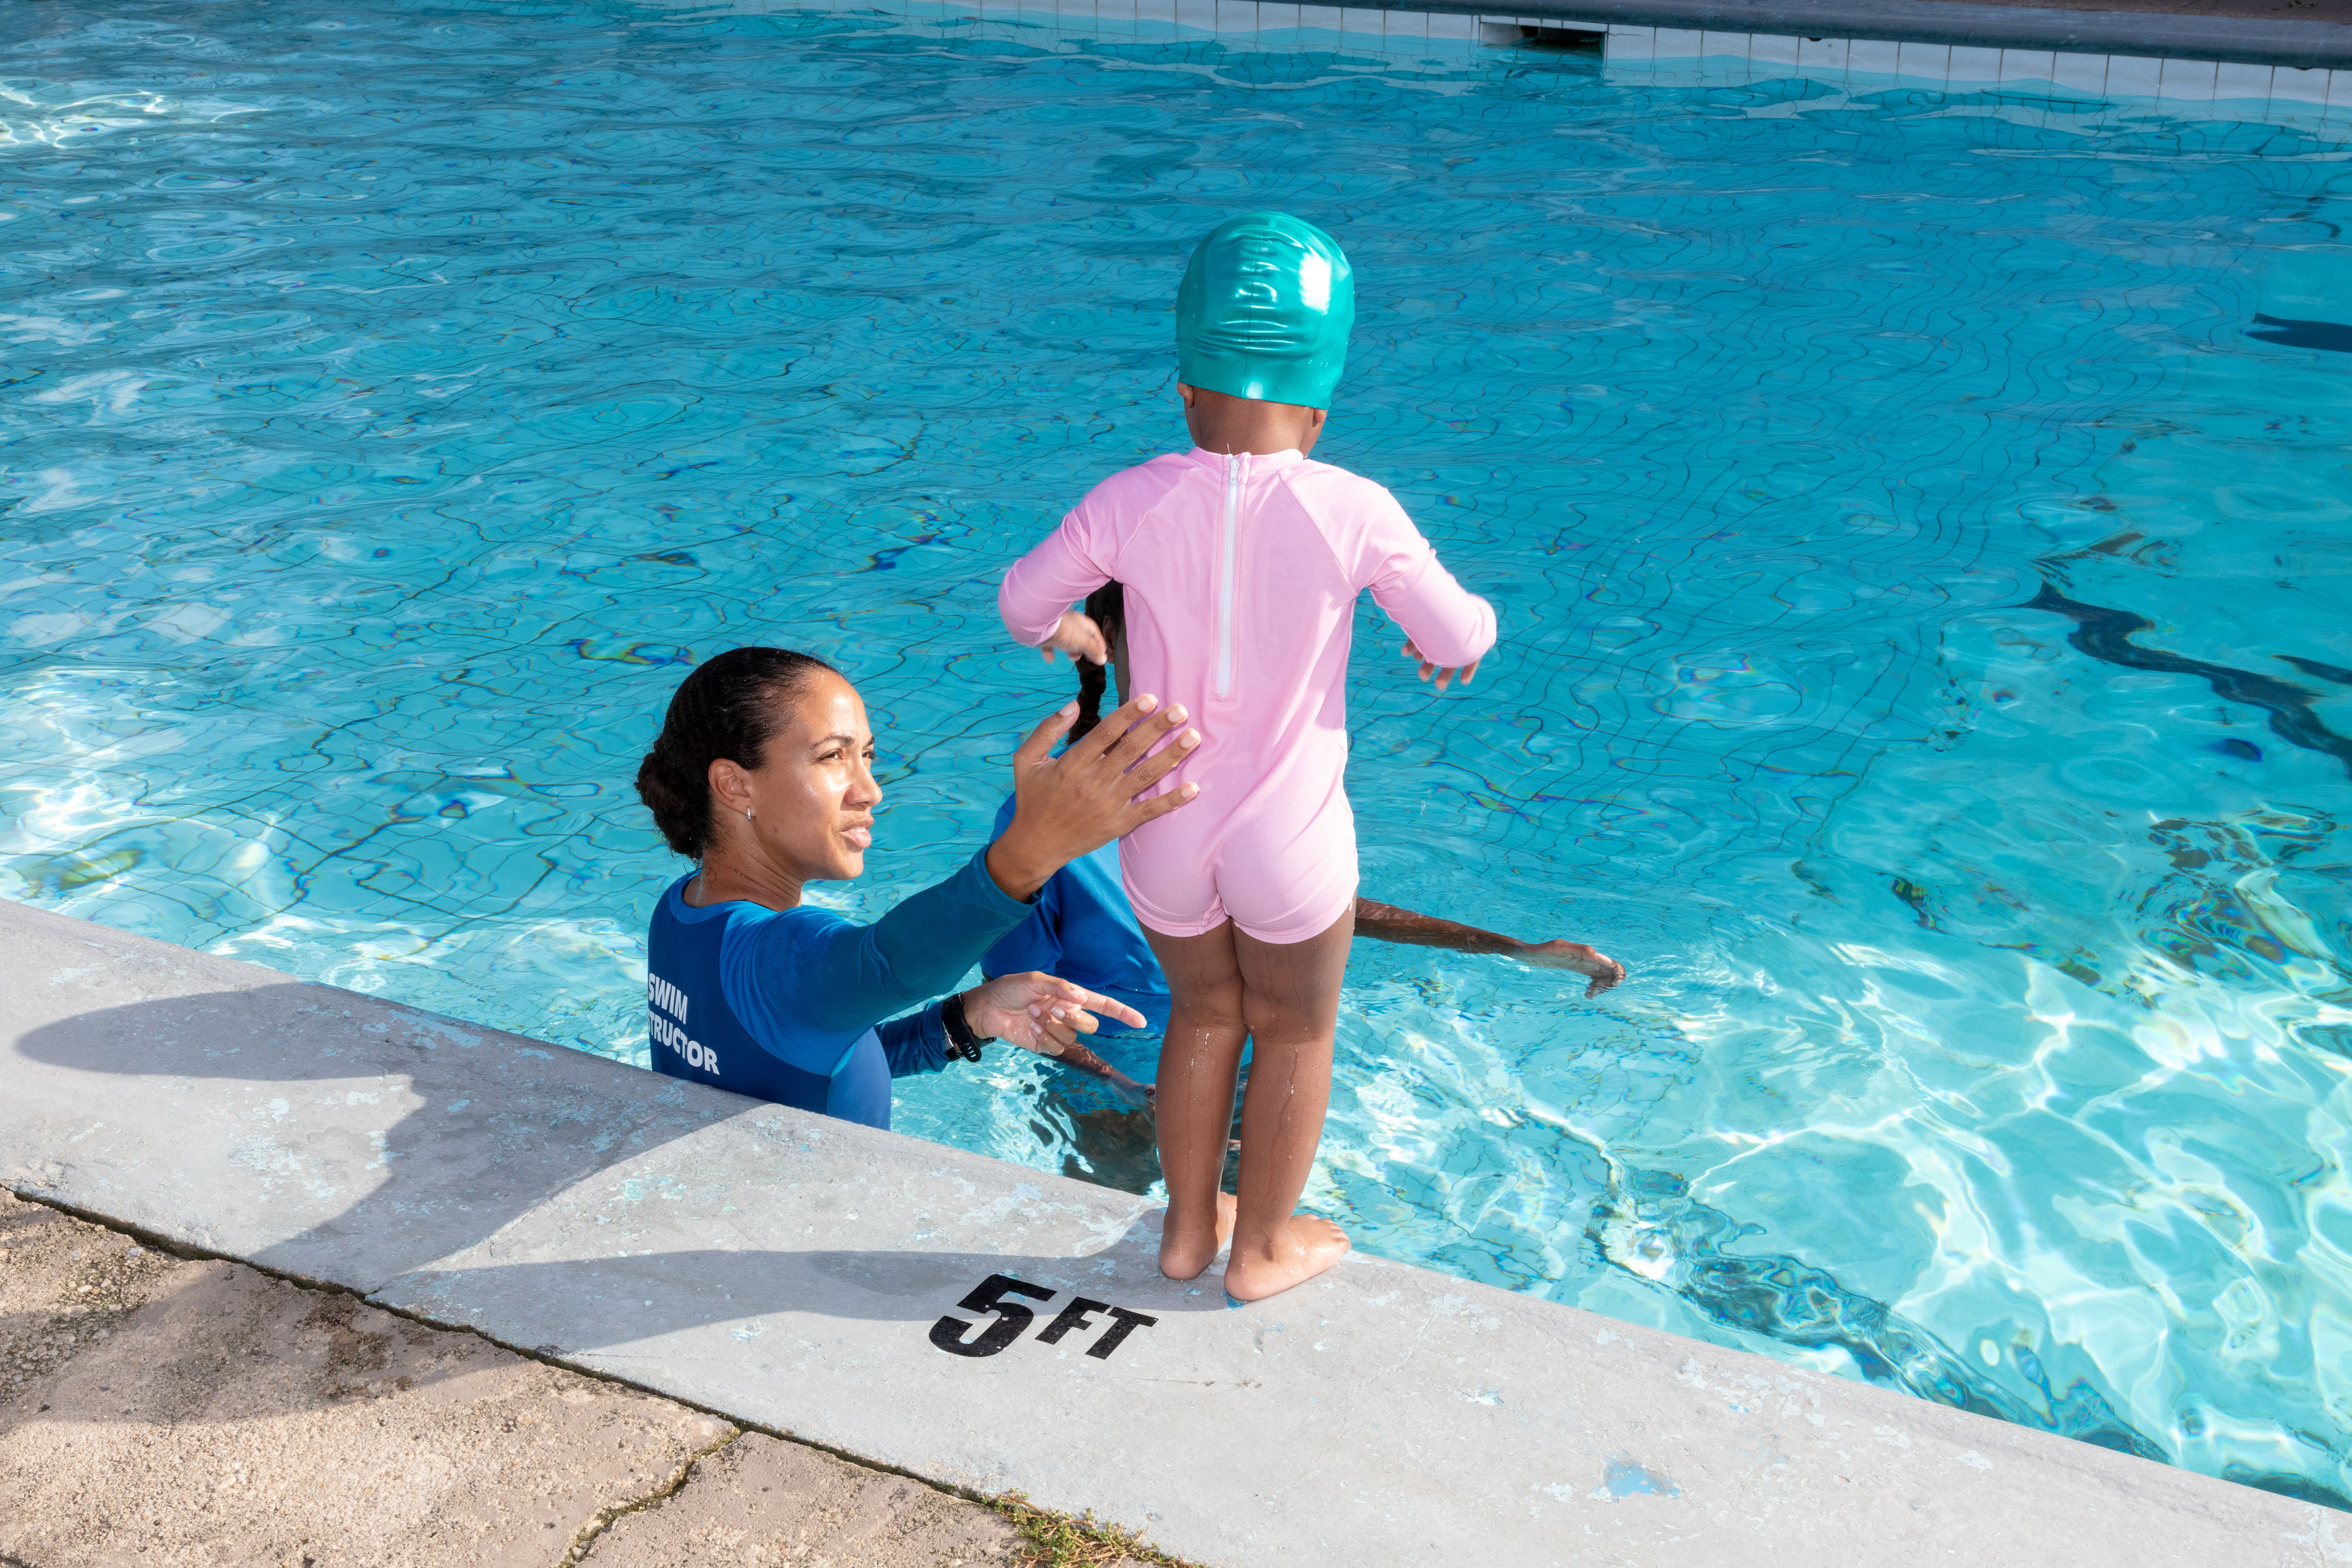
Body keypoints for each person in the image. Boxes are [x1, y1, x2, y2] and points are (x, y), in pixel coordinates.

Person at [995, 212, 1499, 1301]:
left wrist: (1073, 633)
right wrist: (1442, 642)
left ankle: (1185, 1235)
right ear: (1318, 405)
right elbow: (1460, 636)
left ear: (1185, 388)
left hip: (1162, 817)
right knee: (1296, 1029)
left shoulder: (1129, 500)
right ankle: (1262, 1247)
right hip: (1290, 831)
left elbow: (1022, 598)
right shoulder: (1354, 510)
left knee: (1207, 1015)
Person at [979, 581, 1626, 1102]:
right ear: (1107, 640)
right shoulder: (1043, 811)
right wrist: (1122, 1088)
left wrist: (1513, 950)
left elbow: (1306, 906)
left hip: (1244, 1061)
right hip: (1105, 1082)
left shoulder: (1240, 775)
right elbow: (1016, 995)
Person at [630, 645, 1204, 1132]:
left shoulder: (681, 912)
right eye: (833, 757)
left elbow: (814, 1050)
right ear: (734, 785)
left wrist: (969, 1017)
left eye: (868, 757)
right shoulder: (777, 957)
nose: (870, 790)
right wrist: (1036, 845)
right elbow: (896, 962)